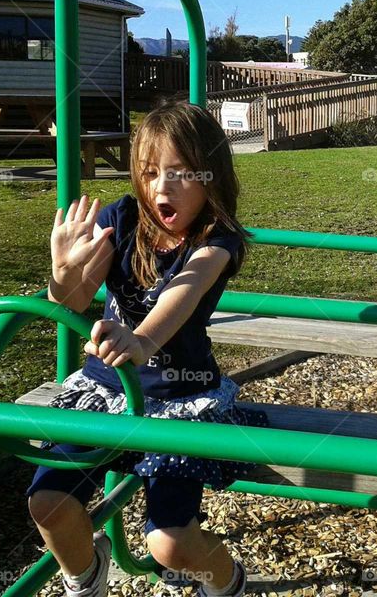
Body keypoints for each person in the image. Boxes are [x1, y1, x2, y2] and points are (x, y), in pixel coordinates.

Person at [27, 101, 265, 597]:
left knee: (169, 543)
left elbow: (187, 289)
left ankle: (227, 581)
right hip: (105, 389)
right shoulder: (122, 217)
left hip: (181, 399)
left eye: (180, 173)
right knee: (48, 503)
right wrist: (63, 273)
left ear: (212, 176)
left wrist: (142, 340)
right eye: (151, 172)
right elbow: (71, 300)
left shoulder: (217, 240)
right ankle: (86, 573)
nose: (161, 187)